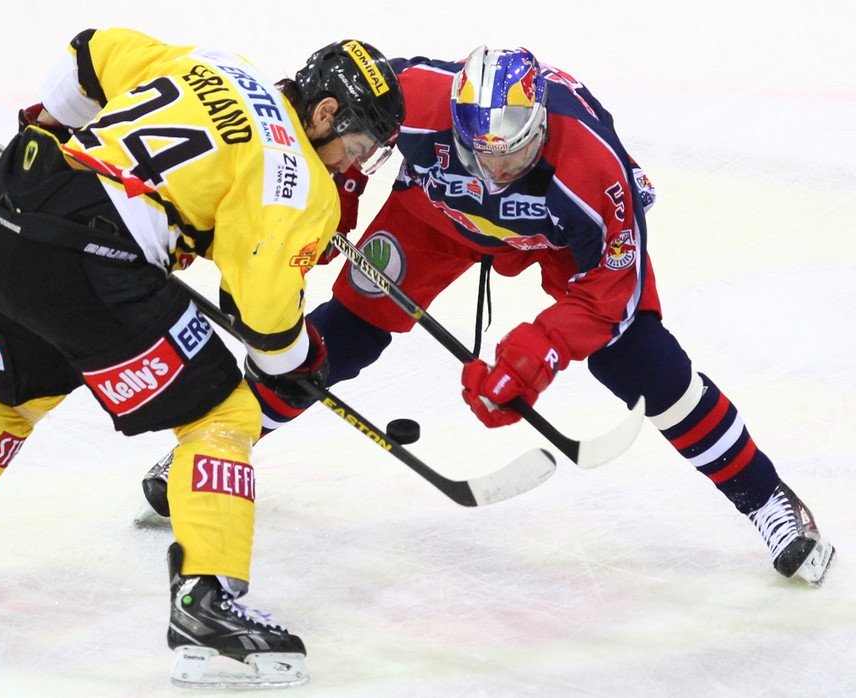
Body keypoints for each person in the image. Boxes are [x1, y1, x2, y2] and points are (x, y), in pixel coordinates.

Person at [143, 45, 835, 587]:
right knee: (346, 330)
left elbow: (610, 292)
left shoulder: (594, 170)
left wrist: (537, 353)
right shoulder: (415, 97)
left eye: (515, 153)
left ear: (541, 128)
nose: (497, 170)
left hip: (555, 240)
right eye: (481, 151)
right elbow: (335, 127)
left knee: (641, 360)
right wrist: (334, 209)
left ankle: (767, 498)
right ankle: (218, 447)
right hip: (436, 219)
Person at [0, 28, 404, 688]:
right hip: (88, 261)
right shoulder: (298, 177)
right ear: (326, 112)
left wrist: (52, 122)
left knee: (18, 391)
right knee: (225, 417)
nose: (352, 164)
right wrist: (302, 363)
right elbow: (266, 322)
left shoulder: (221, 63)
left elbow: (90, 50)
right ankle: (207, 601)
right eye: (356, 147)